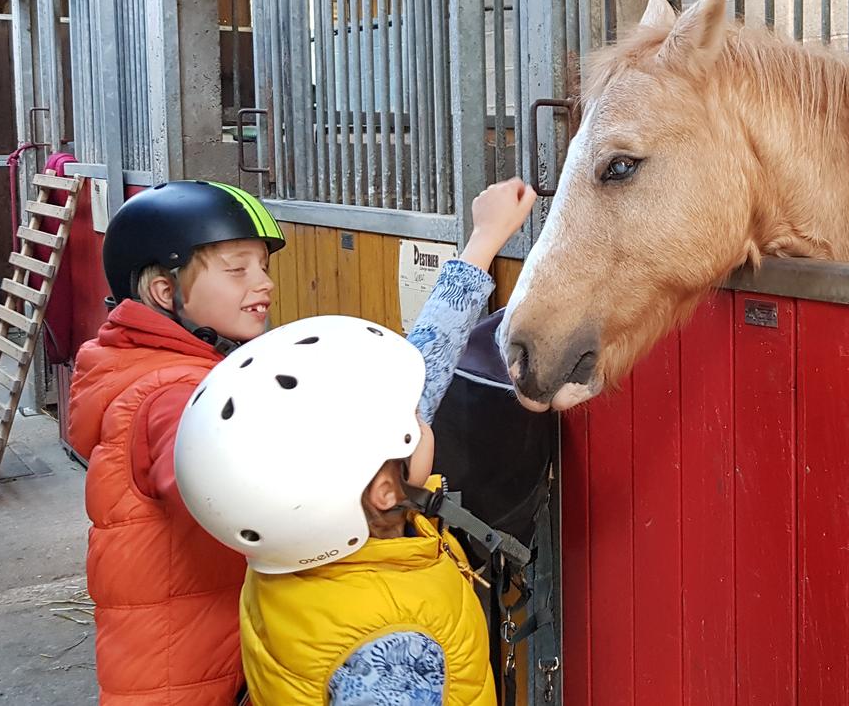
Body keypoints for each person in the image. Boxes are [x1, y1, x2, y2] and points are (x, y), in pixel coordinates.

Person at [67, 177, 535, 705]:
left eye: (263, 267)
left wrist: (481, 245)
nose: (262, 282)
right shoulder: (174, 397)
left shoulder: (176, 371)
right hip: (191, 681)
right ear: (163, 290)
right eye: (237, 269)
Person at [173, 313, 500, 706]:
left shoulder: (294, 546)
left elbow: (422, 379)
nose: (423, 418)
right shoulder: (392, 646)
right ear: (383, 491)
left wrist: (475, 260)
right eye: (413, 420)